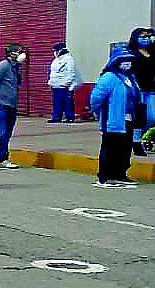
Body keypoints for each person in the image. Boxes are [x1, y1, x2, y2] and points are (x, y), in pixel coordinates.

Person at [89, 50, 141, 187]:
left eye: (129, 60)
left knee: (125, 148)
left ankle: (120, 174)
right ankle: (105, 176)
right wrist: (98, 112)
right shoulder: (109, 77)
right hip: (113, 119)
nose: (127, 63)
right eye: (123, 60)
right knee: (111, 147)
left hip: (129, 119)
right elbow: (96, 98)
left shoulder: (131, 78)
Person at [126, 27, 155, 157]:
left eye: (148, 37)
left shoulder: (152, 51)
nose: (146, 39)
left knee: (151, 117)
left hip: (151, 89)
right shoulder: (131, 53)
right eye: (143, 37)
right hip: (137, 89)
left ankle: (142, 136)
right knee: (139, 117)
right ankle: (136, 142)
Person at [48, 43, 81, 123]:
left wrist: (67, 82)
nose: (54, 52)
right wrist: (50, 82)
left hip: (65, 85)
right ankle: (56, 117)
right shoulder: (56, 60)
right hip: (56, 85)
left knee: (67, 102)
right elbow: (53, 72)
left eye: (55, 50)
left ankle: (70, 117)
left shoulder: (69, 59)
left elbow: (71, 72)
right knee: (57, 102)